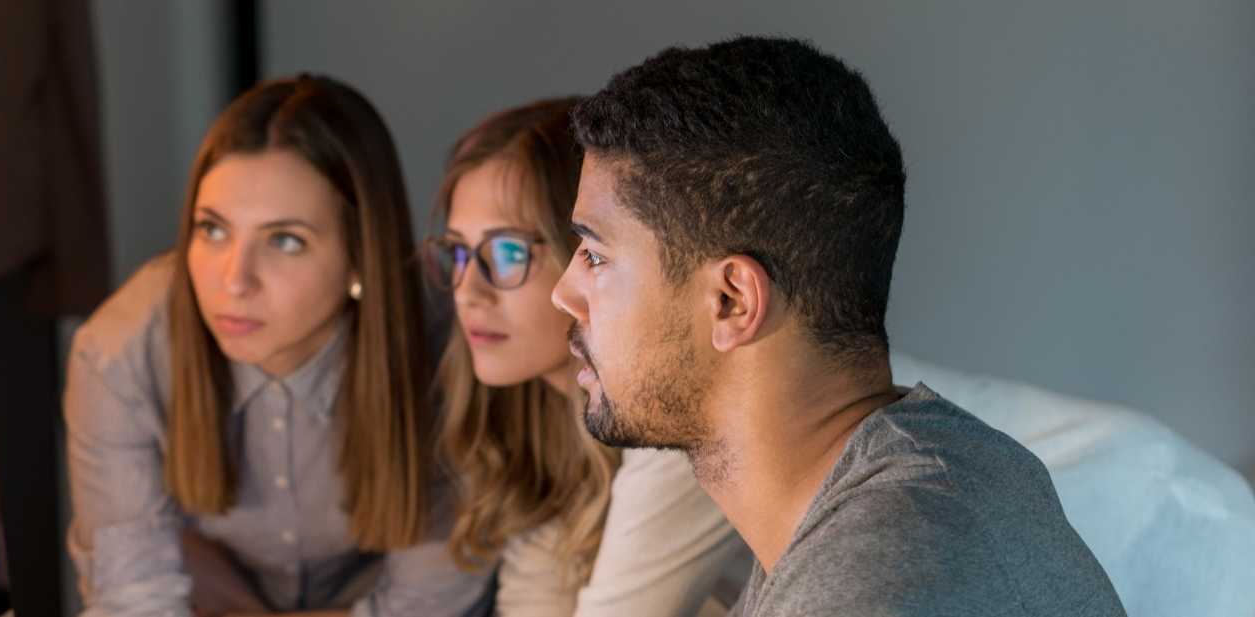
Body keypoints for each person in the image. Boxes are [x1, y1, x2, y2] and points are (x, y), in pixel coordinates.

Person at [551, 36, 1127, 616]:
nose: (564, 293)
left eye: (595, 256)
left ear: (732, 301)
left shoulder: (874, 579)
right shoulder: (915, 486)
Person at [64, 75, 493, 617]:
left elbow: (428, 607)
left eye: (285, 241)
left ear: (360, 257)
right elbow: (133, 603)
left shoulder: (454, 337)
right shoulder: (120, 352)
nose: (234, 281)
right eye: (212, 230)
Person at [425, 97, 749, 617]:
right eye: (459, 253)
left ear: (590, 253)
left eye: (508, 252)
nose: (468, 291)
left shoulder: (677, 421)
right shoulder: (543, 417)